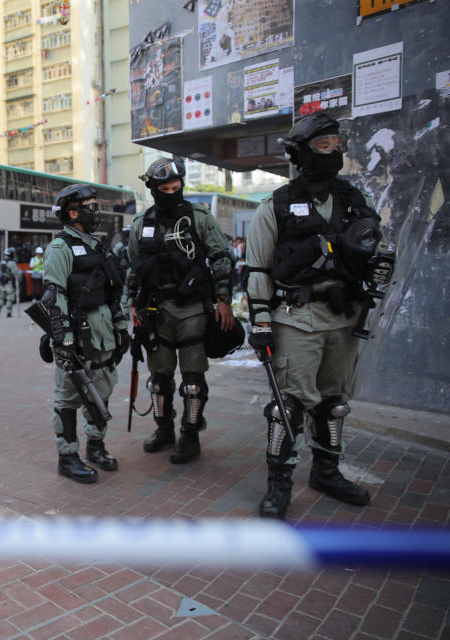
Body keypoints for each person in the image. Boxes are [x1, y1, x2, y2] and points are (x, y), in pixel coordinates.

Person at [246, 113, 383, 520]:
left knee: (334, 404)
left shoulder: (354, 199)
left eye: (337, 144)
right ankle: (279, 484)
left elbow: (374, 244)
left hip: (343, 317)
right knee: (287, 406)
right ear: (302, 153)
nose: (335, 151)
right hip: (296, 317)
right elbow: (258, 270)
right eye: (324, 146)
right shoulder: (277, 205)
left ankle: (326, 472)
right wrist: (261, 324)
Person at [124, 158, 235, 464]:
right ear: (153, 189)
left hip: (192, 311)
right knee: (159, 380)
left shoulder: (199, 218)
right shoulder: (140, 225)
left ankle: (190, 434)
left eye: (177, 187)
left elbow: (221, 256)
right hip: (155, 312)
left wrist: (223, 298)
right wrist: (133, 305)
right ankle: (164, 429)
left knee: (192, 381)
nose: (172, 193)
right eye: (165, 188)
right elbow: (133, 270)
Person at [43, 184, 129, 483]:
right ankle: (67, 457)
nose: (97, 212)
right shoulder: (60, 248)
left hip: (103, 334)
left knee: (101, 393)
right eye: (91, 207)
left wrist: (120, 329)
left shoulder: (96, 245)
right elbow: (55, 298)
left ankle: (95, 446)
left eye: (97, 205)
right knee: (68, 398)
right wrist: (64, 343)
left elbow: (112, 292)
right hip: (77, 337)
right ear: (73, 213)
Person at [0, 247, 20, 318]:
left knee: (1, 298)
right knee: (10, 297)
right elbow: (17, 274)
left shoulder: (3, 262)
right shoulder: (12, 263)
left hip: (3, 282)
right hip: (9, 282)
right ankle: (8, 313)